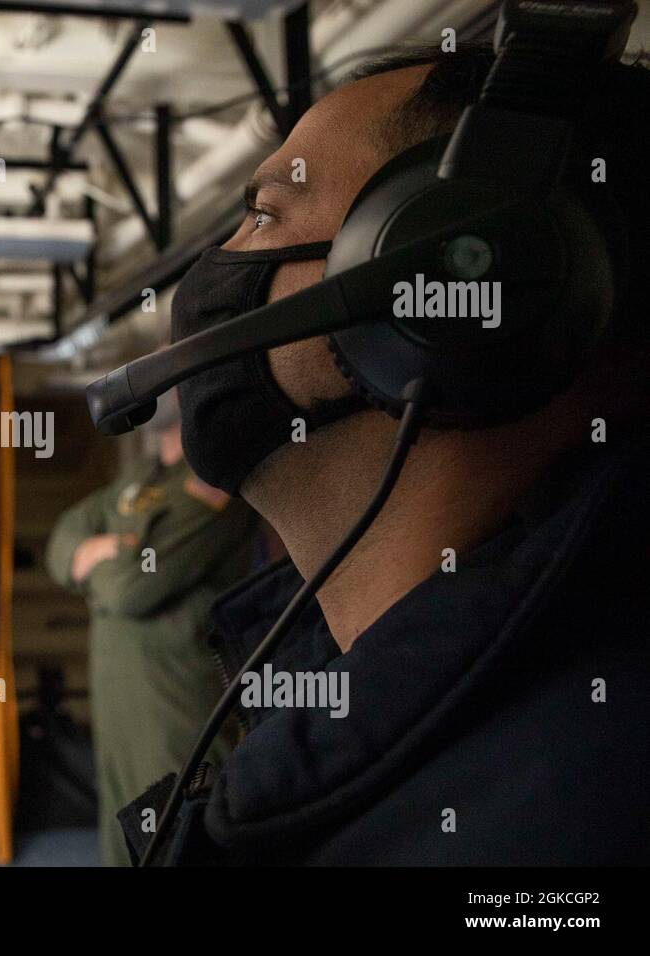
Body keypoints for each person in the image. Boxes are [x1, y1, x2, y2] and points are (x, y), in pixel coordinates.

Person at [119, 42, 650, 865]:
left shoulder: (571, 812)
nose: (209, 275)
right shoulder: (380, 706)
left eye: (264, 213)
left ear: (470, 297)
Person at [45, 388, 261, 866]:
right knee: (121, 839)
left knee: (179, 840)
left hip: (176, 703)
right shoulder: (139, 476)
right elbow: (62, 539)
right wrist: (108, 551)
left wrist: (99, 556)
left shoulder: (215, 479)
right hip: (119, 702)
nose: (154, 381)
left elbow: (131, 588)